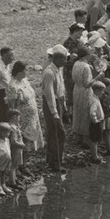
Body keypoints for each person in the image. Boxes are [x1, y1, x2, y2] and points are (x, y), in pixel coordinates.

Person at [6, 61, 44, 173]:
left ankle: (24, 165)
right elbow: (11, 106)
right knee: (22, 141)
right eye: (25, 70)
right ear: (19, 71)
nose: (27, 72)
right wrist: (14, 121)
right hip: (22, 119)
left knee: (29, 141)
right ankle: (17, 167)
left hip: (31, 118)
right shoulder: (12, 86)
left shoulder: (25, 81)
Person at [72, 46, 103, 152]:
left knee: (78, 112)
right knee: (85, 113)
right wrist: (97, 77)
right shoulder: (86, 66)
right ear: (86, 55)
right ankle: (85, 139)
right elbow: (87, 84)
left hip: (77, 89)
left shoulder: (76, 64)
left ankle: (79, 137)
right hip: (85, 91)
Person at [42, 45, 68, 173]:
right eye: (64, 60)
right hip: (52, 103)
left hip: (59, 101)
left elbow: (61, 89)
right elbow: (49, 94)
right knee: (58, 133)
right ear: (57, 59)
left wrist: (64, 107)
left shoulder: (58, 70)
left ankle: (52, 158)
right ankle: (55, 162)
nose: (66, 62)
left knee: (54, 131)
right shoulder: (49, 72)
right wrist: (55, 113)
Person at [0, 47, 15, 121]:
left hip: (8, 92)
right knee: (4, 116)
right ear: (4, 56)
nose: (13, 58)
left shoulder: (7, 66)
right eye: (11, 56)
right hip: (1, 95)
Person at [7, 109, 26, 189]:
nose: (19, 119)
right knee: (13, 165)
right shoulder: (12, 128)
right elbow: (13, 141)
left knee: (15, 165)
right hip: (16, 149)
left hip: (18, 149)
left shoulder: (15, 126)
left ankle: (14, 178)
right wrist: (21, 145)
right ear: (14, 117)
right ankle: (12, 181)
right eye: (18, 117)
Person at [89, 81, 107, 163]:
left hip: (97, 121)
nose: (102, 93)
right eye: (101, 91)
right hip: (95, 123)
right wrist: (95, 120)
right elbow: (92, 112)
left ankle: (95, 154)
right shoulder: (94, 100)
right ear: (96, 90)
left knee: (96, 139)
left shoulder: (95, 98)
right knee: (94, 140)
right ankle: (95, 156)